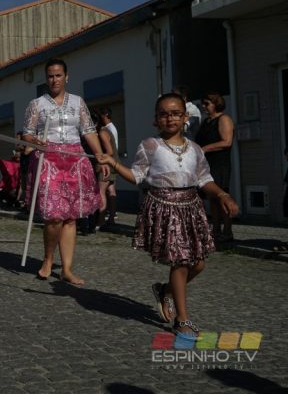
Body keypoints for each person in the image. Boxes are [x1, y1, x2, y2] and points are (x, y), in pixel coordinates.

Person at [97, 93, 238, 338]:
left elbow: (204, 179)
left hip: (191, 209)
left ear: (185, 117)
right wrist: (114, 162)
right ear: (156, 119)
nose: (170, 118)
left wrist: (222, 195)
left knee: (198, 263)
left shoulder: (195, 149)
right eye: (164, 114)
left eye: (175, 113)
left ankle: (168, 291)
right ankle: (182, 320)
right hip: (164, 208)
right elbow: (137, 176)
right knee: (180, 262)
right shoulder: (150, 146)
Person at [22, 58, 107, 285]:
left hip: (74, 160)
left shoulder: (78, 102)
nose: (54, 80)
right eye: (50, 76)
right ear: (46, 78)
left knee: (70, 217)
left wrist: (100, 156)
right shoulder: (36, 104)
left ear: (66, 77)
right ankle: (48, 259)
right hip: (48, 160)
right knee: (53, 215)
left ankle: (67, 269)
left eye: (58, 75)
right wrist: (35, 140)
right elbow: (26, 133)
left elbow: (88, 130)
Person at [195, 91, 235, 242]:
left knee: (222, 196)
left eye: (207, 104)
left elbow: (227, 141)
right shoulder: (206, 121)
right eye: (203, 104)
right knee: (212, 197)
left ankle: (228, 231)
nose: (204, 106)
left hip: (219, 163)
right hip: (207, 164)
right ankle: (216, 229)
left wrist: (205, 148)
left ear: (216, 104)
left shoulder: (224, 119)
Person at [97, 107, 119, 229]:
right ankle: (111, 218)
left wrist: (100, 158)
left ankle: (101, 221)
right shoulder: (111, 128)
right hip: (114, 163)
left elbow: (109, 151)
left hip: (108, 164)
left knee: (101, 192)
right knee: (111, 191)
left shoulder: (105, 130)